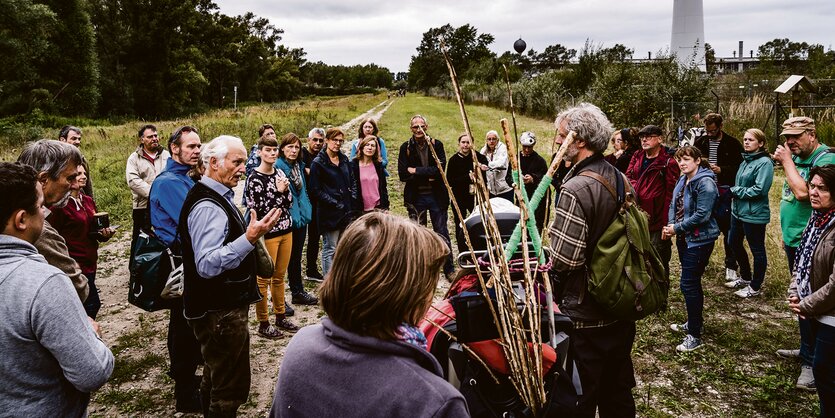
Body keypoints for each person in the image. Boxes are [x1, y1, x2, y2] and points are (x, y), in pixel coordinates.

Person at [270, 212, 468, 418]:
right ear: (407, 295)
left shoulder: (300, 346)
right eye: (428, 287)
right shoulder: (435, 402)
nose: (431, 299)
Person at [0, 162, 113, 416]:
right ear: (21, 219)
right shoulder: (44, 283)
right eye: (41, 206)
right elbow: (92, 373)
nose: (45, 213)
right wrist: (90, 333)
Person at [179, 135, 281, 417]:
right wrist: (248, 239)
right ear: (213, 163)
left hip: (218, 310)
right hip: (219, 312)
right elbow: (207, 264)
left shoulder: (214, 195)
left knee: (215, 374)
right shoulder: (207, 205)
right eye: (236, 162)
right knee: (229, 388)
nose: (243, 168)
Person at [548, 103, 637, 417]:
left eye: (561, 136)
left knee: (580, 398)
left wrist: (550, 247)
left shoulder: (575, 188)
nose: (557, 142)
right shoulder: (620, 177)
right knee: (618, 394)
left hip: (586, 316)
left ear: (579, 140)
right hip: (620, 306)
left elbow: (565, 260)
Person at [773, 116, 835, 391]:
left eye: (796, 136)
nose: (789, 142)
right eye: (787, 136)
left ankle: (812, 363)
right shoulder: (799, 156)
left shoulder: (827, 160)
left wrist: (786, 161)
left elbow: (801, 193)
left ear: (812, 133)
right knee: (800, 297)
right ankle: (806, 350)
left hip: (820, 246)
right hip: (799, 238)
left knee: (815, 302)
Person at [148, 125, 204, 412]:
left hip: (191, 261)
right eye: (191, 146)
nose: (196, 151)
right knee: (183, 326)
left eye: (198, 146)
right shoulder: (169, 182)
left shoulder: (186, 177)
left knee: (189, 322)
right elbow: (191, 224)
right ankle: (184, 390)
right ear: (174, 149)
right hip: (180, 262)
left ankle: (187, 375)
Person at [788, 164, 835, 416]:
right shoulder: (817, 219)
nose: (814, 193)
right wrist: (796, 288)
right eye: (812, 186)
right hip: (816, 306)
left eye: (823, 189)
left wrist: (806, 304)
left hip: (832, 313)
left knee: (824, 370)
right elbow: (803, 260)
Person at [16, 139, 88, 302]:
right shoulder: (36, 230)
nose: (73, 185)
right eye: (70, 178)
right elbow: (78, 289)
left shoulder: (9, 213)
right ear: (43, 180)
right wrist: (74, 269)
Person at [663, 146, 719, 352]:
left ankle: (694, 334)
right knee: (690, 283)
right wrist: (671, 225)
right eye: (679, 160)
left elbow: (702, 215)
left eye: (686, 159)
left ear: (697, 160)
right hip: (684, 237)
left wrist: (676, 228)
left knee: (689, 284)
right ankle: (693, 322)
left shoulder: (705, 183)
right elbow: (673, 204)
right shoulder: (683, 178)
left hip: (700, 240)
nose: (682, 163)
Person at [245, 133, 298, 339]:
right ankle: (263, 322)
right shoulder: (254, 178)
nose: (272, 153)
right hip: (268, 234)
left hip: (286, 229)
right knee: (263, 279)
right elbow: (258, 209)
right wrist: (278, 193)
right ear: (260, 153)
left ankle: (280, 315)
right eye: (268, 150)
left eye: (275, 150)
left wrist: (282, 192)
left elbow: (289, 202)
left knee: (279, 277)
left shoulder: (279, 173)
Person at [47, 164, 115, 319]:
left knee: (87, 304)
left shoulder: (88, 201)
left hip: (91, 259)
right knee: (91, 303)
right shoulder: (60, 206)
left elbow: (92, 230)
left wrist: (104, 234)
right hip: (75, 262)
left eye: (85, 173)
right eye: (78, 174)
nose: (83, 176)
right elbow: (53, 235)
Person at [398, 115, 454, 276]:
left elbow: (440, 170)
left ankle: (448, 268)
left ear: (426, 127)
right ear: (411, 129)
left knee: (442, 232)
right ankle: (421, 269)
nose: (418, 129)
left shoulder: (437, 145)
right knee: (418, 235)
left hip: (437, 197)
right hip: (416, 199)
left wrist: (415, 170)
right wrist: (428, 173)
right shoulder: (405, 148)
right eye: (415, 127)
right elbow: (402, 174)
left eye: (421, 126)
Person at [694, 113, 744, 283]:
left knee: (728, 228)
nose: (709, 134)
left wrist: (722, 170)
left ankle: (731, 265)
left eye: (713, 131)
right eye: (707, 131)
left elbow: (740, 167)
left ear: (720, 126)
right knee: (702, 227)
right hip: (704, 191)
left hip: (724, 190)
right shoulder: (700, 142)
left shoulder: (732, 144)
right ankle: (701, 261)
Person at [626, 125, 680, 274]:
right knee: (639, 258)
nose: (644, 139)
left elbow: (671, 195)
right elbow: (628, 177)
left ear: (660, 139)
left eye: (649, 136)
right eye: (642, 137)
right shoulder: (637, 155)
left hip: (656, 220)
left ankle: (661, 295)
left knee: (658, 262)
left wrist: (666, 223)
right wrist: (639, 190)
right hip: (636, 216)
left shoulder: (668, 162)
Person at [727, 128, 773, 298]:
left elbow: (760, 189)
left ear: (760, 143)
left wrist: (735, 191)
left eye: (751, 140)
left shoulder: (764, 163)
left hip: (754, 214)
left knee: (757, 250)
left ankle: (755, 286)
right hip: (738, 211)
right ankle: (745, 277)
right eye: (745, 139)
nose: (746, 142)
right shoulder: (745, 160)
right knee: (733, 242)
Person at [274, 133, 319, 309]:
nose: (293, 150)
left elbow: (302, 192)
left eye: (296, 147)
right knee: (282, 262)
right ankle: (280, 299)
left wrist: (306, 209)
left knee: (296, 257)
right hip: (287, 220)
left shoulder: (298, 166)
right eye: (289, 147)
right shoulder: (278, 167)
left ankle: (297, 292)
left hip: (301, 218)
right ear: (282, 148)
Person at [309, 127, 355, 276]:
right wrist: (334, 202)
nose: (338, 143)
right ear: (327, 141)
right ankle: (329, 281)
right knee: (330, 248)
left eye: (340, 141)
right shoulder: (318, 163)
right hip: (329, 212)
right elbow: (315, 190)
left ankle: (340, 278)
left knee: (343, 247)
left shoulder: (343, 159)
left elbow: (352, 180)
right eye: (335, 140)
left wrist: (352, 196)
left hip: (345, 211)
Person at [126, 124, 170, 249]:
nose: (154, 139)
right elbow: (133, 181)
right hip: (143, 206)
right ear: (142, 139)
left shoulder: (166, 155)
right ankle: (137, 266)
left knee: (164, 236)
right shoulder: (134, 158)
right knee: (140, 238)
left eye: (156, 135)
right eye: (150, 137)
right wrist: (155, 194)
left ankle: (162, 265)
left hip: (165, 204)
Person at [446, 133, 489, 253]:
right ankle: (462, 250)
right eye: (463, 142)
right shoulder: (454, 160)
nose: (465, 145)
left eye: (468, 142)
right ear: (459, 144)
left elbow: (485, 167)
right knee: (460, 223)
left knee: (478, 222)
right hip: (459, 197)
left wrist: (481, 169)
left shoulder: (478, 157)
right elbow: (450, 180)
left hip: (475, 197)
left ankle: (479, 249)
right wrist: (468, 177)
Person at [301, 127, 325, 282]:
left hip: (318, 202)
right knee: (301, 238)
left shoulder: (323, 156)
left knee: (315, 237)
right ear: (308, 140)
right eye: (315, 140)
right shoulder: (302, 154)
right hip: (304, 201)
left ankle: (311, 269)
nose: (317, 143)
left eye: (320, 141)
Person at [518, 131, 549, 231]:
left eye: (529, 147)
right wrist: (517, 180)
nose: (527, 149)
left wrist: (533, 179)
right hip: (521, 198)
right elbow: (508, 177)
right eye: (524, 147)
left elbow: (546, 180)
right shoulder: (515, 159)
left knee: (535, 226)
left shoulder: (540, 161)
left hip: (536, 200)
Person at [351, 135, 389, 212]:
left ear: (376, 149)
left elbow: (383, 188)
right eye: (367, 145)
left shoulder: (378, 165)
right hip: (360, 208)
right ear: (362, 147)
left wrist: (386, 207)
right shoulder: (353, 165)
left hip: (377, 207)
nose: (370, 148)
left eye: (373, 145)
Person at [243, 124, 278, 207]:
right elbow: (249, 169)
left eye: (272, 133)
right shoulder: (256, 150)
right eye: (267, 134)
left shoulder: (276, 148)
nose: (271, 136)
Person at [58, 125, 94, 197]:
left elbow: (88, 185)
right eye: (74, 138)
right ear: (62, 140)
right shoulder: (55, 159)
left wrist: (91, 202)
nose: (78, 142)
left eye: (79, 139)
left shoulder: (82, 159)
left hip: (80, 199)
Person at [480, 130, 513, 201]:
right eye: (489, 139)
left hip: (505, 188)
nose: (491, 141)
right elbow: (479, 161)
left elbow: (501, 162)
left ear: (497, 140)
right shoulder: (484, 150)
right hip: (491, 190)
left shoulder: (503, 148)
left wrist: (487, 165)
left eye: (494, 139)